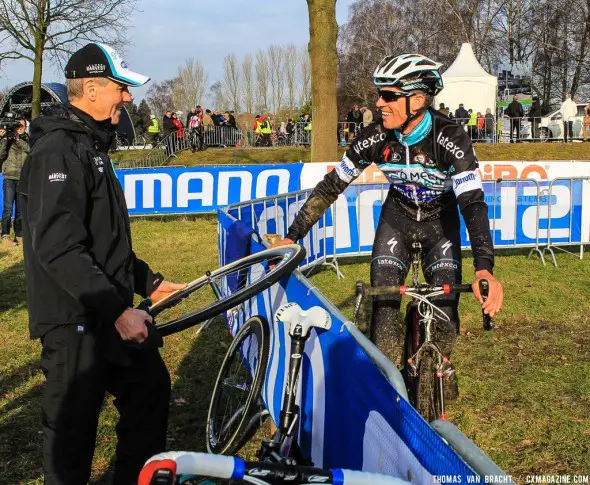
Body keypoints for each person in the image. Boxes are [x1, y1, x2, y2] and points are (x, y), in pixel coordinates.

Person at [271, 53, 504, 401]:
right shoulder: (375, 136)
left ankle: (441, 363)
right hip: (396, 221)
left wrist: (484, 267)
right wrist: (292, 236)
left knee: (447, 317)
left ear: (419, 100)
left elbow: (471, 202)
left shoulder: (450, 138)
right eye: (379, 94)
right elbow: (331, 186)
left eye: (389, 95)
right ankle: (390, 390)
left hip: (440, 226)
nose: (379, 103)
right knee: (383, 321)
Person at [18, 42, 186, 484]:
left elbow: (103, 239)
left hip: (109, 311)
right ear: (90, 88)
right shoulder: (57, 150)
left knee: (149, 389)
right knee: (72, 436)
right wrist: (117, 311)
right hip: (74, 319)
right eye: (121, 88)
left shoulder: (92, 145)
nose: (128, 98)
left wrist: (147, 281)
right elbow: (58, 247)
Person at [0, 117, 28, 245]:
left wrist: (18, 139)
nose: (20, 128)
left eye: (22, 125)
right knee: (8, 208)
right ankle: (5, 235)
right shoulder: (7, 139)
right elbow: (1, 155)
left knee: (21, 209)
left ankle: (19, 234)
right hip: (9, 177)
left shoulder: (28, 138)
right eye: (18, 126)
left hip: (23, 178)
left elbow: (31, 150)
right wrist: (5, 140)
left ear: (26, 127)